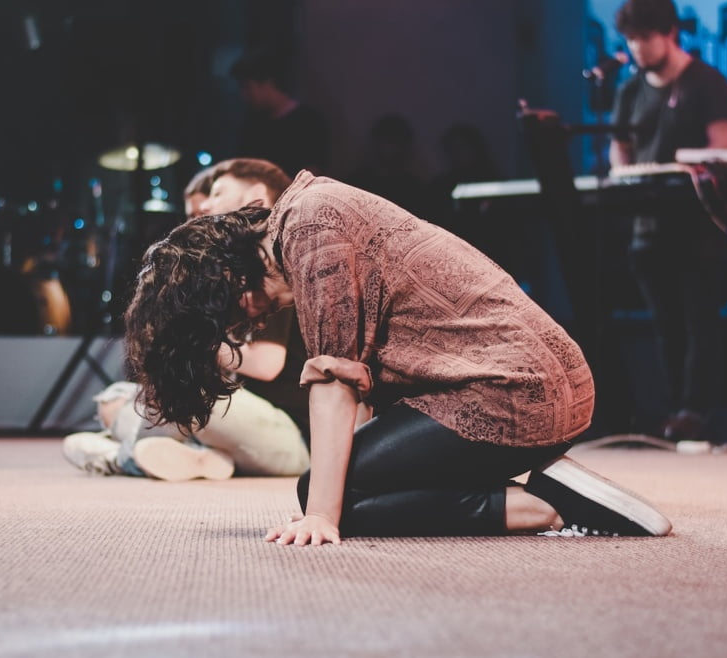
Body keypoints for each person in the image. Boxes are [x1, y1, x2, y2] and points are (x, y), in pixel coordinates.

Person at [123, 168, 674, 545]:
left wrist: (320, 517)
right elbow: (363, 393)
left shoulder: (311, 230)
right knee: (336, 483)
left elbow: (335, 384)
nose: (244, 325)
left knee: (323, 495)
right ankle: (546, 490)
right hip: (531, 383)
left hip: (514, 392)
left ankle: (545, 507)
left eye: (228, 317)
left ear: (226, 279)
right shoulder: (307, 217)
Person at [62, 158, 311, 481]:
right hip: (243, 425)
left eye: (218, 192)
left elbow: (266, 364)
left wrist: (189, 341)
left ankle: (120, 457)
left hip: (288, 435)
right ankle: (201, 457)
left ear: (257, 198)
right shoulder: (236, 273)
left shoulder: (272, 270)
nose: (207, 204)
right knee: (115, 398)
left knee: (170, 392)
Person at [608, 0, 727, 441]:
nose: (637, 48)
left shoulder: (707, 82)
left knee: (700, 321)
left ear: (670, 33)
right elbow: (619, 149)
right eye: (630, 39)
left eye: (645, 37)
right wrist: (625, 174)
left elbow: (724, 149)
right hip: (648, 228)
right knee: (663, 324)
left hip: (699, 227)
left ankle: (696, 412)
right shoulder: (628, 91)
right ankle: (671, 411)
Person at [230, 46, 330, 178]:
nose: (244, 95)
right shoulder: (252, 124)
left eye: (247, 87)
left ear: (267, 83)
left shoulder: (309, 122)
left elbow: (312, 175)